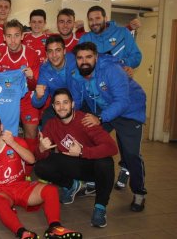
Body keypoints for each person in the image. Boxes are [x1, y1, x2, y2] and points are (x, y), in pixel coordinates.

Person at [69, 42, 147, 212]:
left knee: (131, 154)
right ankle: (92, 182)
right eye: (80, 58)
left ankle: (139, 192)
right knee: (88, 143)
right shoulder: (76, 75)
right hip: (103, 111)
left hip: (129, 111)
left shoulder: (112, 70)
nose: (84, 61)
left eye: (88, 57)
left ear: (96, 57)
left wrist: (100, 117)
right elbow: (76, 101)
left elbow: (122, 101)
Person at [0, 110, 81, 239]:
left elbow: (32, 160)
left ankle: (55, 228)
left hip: (21, 186)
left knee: (50, 190)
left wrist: (12, 143)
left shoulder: (16, 141)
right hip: (0, 190)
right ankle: (22, 233)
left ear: (1, 127)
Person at [35, 88, 118, 227]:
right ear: (54, 107)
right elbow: (37, 156)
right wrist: (41, 149)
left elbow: (112, 147)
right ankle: (72, 185)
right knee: (41, 167)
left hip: (92, 166)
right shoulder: (51, 125)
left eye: (65, 102)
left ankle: (100, 207)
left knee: (106, 162)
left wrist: (82, 152)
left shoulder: (85, 120)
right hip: (72, 165)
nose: (62, 107)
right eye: (58, 103)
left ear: (72, 104)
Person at [0, 19, 41, 163]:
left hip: (26, 99)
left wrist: (31, 78)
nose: (13, 40)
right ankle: (2, 164)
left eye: (16, 35)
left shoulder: (31, 55)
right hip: (5, 100)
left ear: (23, 36)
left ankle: (29, 169)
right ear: (4, 37)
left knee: (31, 132)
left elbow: (33, 86)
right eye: (9, 36)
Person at [79, 5, 142, 76]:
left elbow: (136, 56)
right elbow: (79, 61)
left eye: (97, 18)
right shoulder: (84, 39)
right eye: (91, 19)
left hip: (119, 80)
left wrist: (125, 64)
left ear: (105, 18)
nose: (94, 23)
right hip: (94, 83)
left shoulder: (123, 33)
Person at [31, 35, 77, 127]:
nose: (54, 55)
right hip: (59, 106)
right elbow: (37, 103)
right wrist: (38, 96)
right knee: (47, 119)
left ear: (64, 51)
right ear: (46, 54)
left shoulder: (75, 61)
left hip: (79, 103)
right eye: (50, 51)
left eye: (58, 50)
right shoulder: (44, 70)